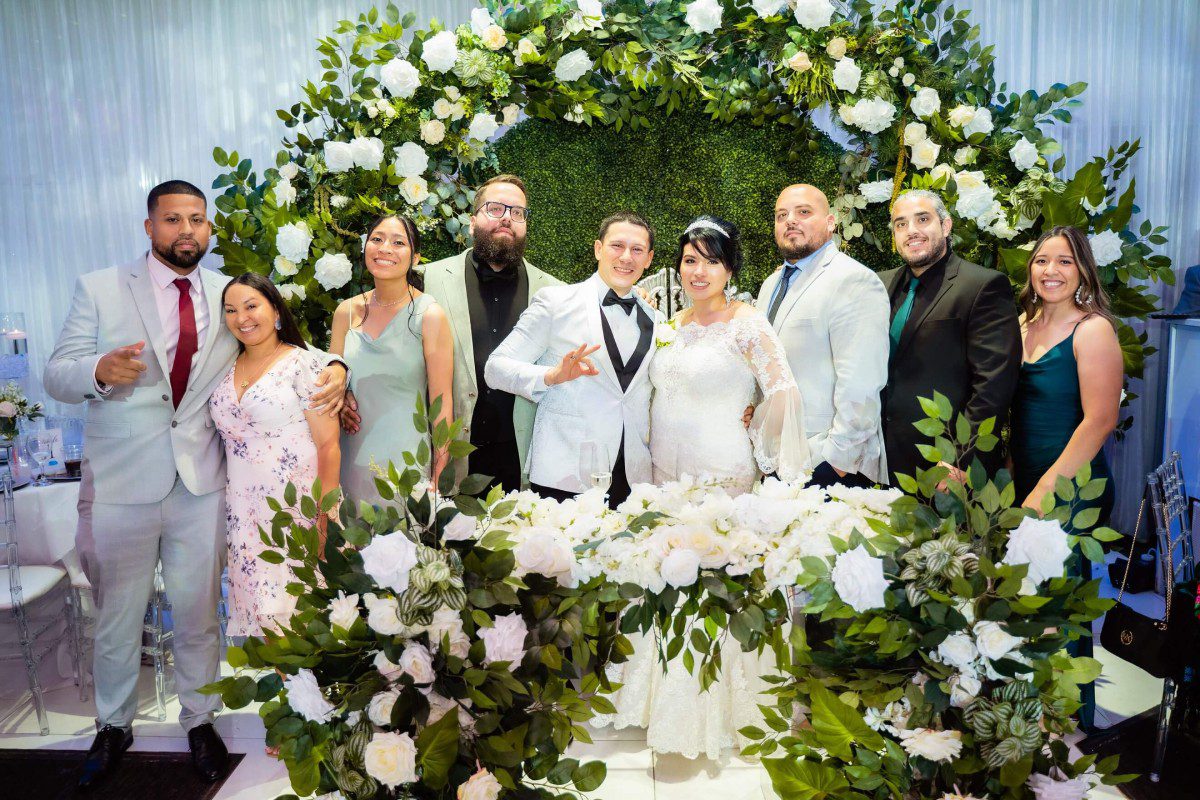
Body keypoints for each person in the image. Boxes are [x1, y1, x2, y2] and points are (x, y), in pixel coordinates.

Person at [43, 180, 346, 788]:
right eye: (173, 220)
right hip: (124, 481)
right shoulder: (99, 288)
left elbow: (285, 352)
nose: (187, 231)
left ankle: (201, 720)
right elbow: (55, 373)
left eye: (198, 221)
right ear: (149, 226)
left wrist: (338, 366)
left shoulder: (227, 295)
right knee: (118, 613)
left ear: (209, 229)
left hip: (205, 484)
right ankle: (113, 725)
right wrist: (97, 370)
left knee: (199, 612)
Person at [600, 215, 809, 759]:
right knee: (666, 581)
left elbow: (784, 391)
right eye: (690, 259)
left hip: (725, 476)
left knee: (719, 585)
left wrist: (758, 428)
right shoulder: (670, 325)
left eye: (711, 260)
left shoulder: (749, 325)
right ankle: (660, 705)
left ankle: (732, 710)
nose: (698, 270)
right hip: (668, 480)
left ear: (731, 268)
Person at [1011, 227, 1122, 733]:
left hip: (1073, 486)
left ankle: (1065, 724)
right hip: (1026, 479)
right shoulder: (1020, 325)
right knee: (1026, 595)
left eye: (1064, 261)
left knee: (1058, 599)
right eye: (1041, 260)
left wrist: (1042, 492)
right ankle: (1022, 711)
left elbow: (1099, 421)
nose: (1050, 270)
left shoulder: (1092, 329)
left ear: (1082, 272)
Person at [484, 212, 661, 508]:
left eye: (637, 250)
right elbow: (495, 367)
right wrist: (550, 376)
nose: (626, 257)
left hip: (633, 477)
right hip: (564, 474)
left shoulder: (657, 318)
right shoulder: (555, 302)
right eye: (617, 246)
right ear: (598, 249)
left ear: (649, 259)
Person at [210, 274, 342, 635]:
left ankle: (304, 693)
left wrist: (324, 516)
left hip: (295, 507)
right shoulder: (223, 369)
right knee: (263, 621)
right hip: (243, 513)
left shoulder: (302, 364)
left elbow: (329, 445)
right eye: (231, 310)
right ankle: (284, 692)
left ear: (276, 311)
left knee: (300, 618)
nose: (242, 317)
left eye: (252, 306)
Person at [420, 175, 561, 493]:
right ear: (471, 222)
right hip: (448, 462)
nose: (508, 217)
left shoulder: (556, 293)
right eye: (495, 208)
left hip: (524, 466)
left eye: (518, 212)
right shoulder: (426, 281)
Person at [881, 189, 1021, 484]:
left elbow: (993, 385)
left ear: (946, 226)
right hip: (878, 459)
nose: (912, 231)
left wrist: (959, 458)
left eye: (922, 219)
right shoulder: (878, 285)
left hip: (946, 466)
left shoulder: (983, 286)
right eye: (901, 224)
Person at [757, 184, 890, 488]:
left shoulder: (853, 280)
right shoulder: (770, 285)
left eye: (803, 212)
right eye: (782, 215)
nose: (791, 220)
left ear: (831, 223)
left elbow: (862, 384)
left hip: (827, 463)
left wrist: (837, 462)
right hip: (776, 459)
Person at [331, 214, 454, 500]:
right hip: (350, 458)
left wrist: (439, 477)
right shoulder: (345, 313)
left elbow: (442, 401)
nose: (385, 248)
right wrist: (341, 401)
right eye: (377, 239)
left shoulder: (429, 315)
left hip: (405, 462)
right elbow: (333, 382)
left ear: (415, 258)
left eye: (398, 242)